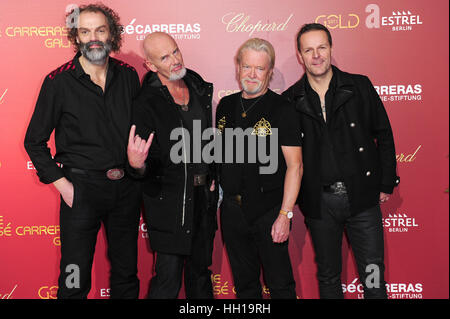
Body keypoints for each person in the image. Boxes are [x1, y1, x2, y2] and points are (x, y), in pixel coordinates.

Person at [24, 4, 142, 299]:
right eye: (85, 31)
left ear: (111, 34)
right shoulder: (58, 82)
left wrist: (139, 168)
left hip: (126, 189)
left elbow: (139, 131)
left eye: (100, 30)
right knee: (74, 277)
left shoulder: (128, 76)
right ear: (75, 37)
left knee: (126, 274)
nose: (93, 38)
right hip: (81, 191)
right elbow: (34, 141)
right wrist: (64, 186)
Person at [283, 23, 400, 299]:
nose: (316, 55)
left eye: (321, 47)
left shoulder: (359, 86)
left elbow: (383, 134)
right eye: (308, 50)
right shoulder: (290, 100)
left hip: (362, 197)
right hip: (320, 204)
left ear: (331, 48)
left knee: (372, 274)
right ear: (300, 56)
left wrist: (385, 182)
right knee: (328, 276)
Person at [127, 32, 218, 299]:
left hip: (203, 199)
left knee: (201, 276)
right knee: (167, 279)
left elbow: (207, 141)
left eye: (175, 51)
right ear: (151, 66)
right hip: (169, 203)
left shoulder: (198, 86)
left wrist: (212, 175)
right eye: (164, 57)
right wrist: (136, 165)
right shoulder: (146, 103)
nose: (175, 60)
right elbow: (145, 163)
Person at [216, 38, 303, 299]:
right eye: (247, 67)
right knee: (245, 287)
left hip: (269, 211)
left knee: (280, 286)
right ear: (238, 67)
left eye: (260, 69)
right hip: (232, 211)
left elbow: (295, 167)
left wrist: (284, 215)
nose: (252, 74)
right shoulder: (226, 106)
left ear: (270, 71)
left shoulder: (283, 109)